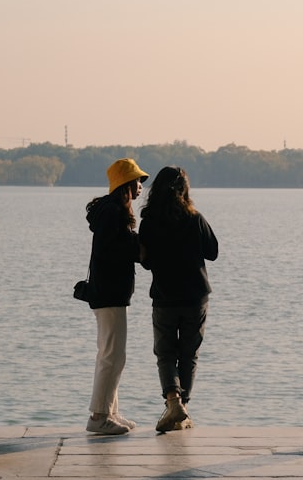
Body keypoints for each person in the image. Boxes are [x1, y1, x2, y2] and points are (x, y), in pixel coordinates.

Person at [139, 166, 219, 432]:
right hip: (196, 297)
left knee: (165, 354)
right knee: (188, 356)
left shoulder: (149, 220)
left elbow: (146, 263)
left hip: (165, 297)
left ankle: (174, 403)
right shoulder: (194, 217)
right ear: (184, 190)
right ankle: (180, 408)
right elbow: (213, 251)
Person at [84, 157, 148, 435]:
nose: (141, 187)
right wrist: (139, 244)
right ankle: (99, 416)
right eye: (137, 182)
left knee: (111, 354)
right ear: (126, 183)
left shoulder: (110, 211)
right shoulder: (114, 214)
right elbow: (115, 251)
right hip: (110, 292)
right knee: (113, 355)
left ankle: (110, 411)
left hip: (107, 291)